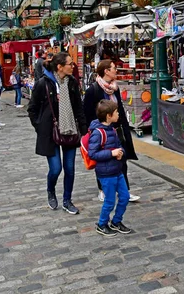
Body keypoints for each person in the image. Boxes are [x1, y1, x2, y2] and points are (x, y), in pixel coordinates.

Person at [28, 52, 87, 215]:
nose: (73, 66)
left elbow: (79, 108)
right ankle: (50, 190)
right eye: (70, 64)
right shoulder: (44, 83)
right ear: (60, 67)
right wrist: (39, 127)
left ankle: (67, 200)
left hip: (69, 130)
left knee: (70, 169)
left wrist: (84, 131)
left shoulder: (73, 83)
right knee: (56, 168)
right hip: (50, 132)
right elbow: (32, 109)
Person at [83, 59, 140, 202]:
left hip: (117, 129)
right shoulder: (93, 90)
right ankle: (102, 189)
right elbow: (87, 113)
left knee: (122, 159)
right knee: (102, 160)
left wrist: (124, 126)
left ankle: (125, 191)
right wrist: (92, 131)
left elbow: (119, 108)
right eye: (114, 68)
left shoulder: (115, 88)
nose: (116, 70)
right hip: (101, 131)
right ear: (106, 71)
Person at [90, 99, 131, 237]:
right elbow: (93, 153)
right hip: (106, 174)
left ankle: (116, 221)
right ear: (109, 115)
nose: (118, 114)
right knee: (109, 202)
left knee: (124, 197)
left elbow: (119, 145)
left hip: (117, 170)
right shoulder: (98, 133)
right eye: (116, 112)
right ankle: (102, 224)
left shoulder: (112, 129)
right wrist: (111, 153)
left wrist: (121, 153)